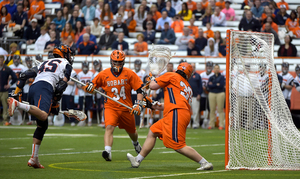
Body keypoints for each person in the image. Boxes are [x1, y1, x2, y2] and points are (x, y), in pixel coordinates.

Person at [126, 62, 213, 170]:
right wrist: (153, 105)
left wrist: (152, 79)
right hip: (179, 112)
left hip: (176, 113)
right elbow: (172, 102)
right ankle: (137, 160)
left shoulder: (171, 75)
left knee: (178, 145)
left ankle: (204, 162)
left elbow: (152, 86)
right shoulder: (187, 86)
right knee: (153, 131)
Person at [7, 45, 74, 168]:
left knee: (42, 125)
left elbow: (24, 75)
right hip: (45, 87)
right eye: (69, 54)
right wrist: (56, 100)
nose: (71, 57)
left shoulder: (45, 62)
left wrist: (16, 92)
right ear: (64, 54)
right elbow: (61, 86)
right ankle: (17, 104)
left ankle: (34, 158)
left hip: (34, 87)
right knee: (43, 115)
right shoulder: (66, 63)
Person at [84, 50, 144, 161]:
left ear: (123, 62)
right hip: (111, 107)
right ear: (111, 61)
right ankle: (107, 151)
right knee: (109, 127)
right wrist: (89, 88)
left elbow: (140, 89)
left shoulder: (129, 73)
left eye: (120, 62)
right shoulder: (104, 74)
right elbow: (92, 86)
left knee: (132, 132)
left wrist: (138, 104)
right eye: (115, 62)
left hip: (126, 108)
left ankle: (135, 143)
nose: (117, 64)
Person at [0, 55, 17, 126]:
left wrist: (9, 85)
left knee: (4, 105)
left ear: (3, 60)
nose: (0, 61)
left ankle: (5, 120)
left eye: (1, 60)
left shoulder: (7, 69)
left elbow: (15, 77)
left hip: (4, 90)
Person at [207, 64, 225, 130]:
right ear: (213, 69)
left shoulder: (222, 77)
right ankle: (211, 124)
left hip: (220, 93)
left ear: (219, 69)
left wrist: (213, 84)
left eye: (217, 68)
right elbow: (209, 85)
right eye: (215, 68)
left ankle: (221, 125)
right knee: (212, 110)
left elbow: (221, 85)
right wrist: (216, 84)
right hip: (212, 93)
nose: (216, 69)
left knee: (220, 109)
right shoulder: (211, 77)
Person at [76, 62, 94, 126]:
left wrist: (87, 88)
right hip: (81, 94)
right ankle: (82, 120)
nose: (85, 68)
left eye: (86, 66)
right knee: (81, 108)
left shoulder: (91, 74)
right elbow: (77, 85)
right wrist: (82, 87)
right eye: (84, 66)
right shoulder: (79, 74)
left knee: (89, 108)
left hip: (89, 94)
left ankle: (89, 121)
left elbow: (93, 84)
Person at [131, 59, 146, 126]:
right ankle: (132, 122)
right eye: (136, 64)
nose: (137, 66)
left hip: (139, 93)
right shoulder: (131, 72)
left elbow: (145, 83)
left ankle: (140, 122)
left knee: (139, 108)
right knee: (131, 108)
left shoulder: (143, 73)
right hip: (132, 92)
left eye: (138, 64)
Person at [188, 63, 202, 128]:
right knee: (187, 111)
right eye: (191, 66)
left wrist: (199, 94)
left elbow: (200, 86)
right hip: (187, 96)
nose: (192, 68)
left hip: (195, 96)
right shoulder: (187, 75)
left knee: (195, 111)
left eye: (193, 66)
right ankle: (187, 124)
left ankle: (195, 124)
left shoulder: (198, 76)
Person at [200, 61, 214, 129]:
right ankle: (201, 122)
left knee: (209, 108)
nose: (209, 68)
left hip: (210, 93)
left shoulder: (213, 75)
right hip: (202, 94)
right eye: (208, 66)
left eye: (210, 66)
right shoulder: (202, 75)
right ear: (206, 67)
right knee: (201, 108)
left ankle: (208, 121)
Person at [91, 60, 105, 127]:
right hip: (98, 93)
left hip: (105, 92)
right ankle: (102, 120)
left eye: (98, 65)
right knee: (100, 108)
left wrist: (101, 88)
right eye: (95, 65)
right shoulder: (95, 74)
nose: (97, 66)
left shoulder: (104, 72)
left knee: (105, 107)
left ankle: (104, 121)